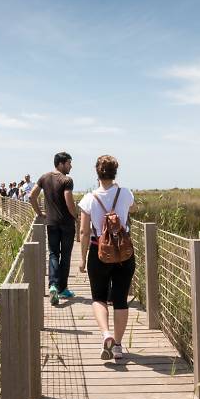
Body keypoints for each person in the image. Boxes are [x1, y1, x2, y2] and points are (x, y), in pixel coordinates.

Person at [78, 155, 135, 362]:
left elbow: (84, 232)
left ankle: (106, 334)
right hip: (124, 253)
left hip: (98, 251)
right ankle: (118, 346)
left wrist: (83, 259)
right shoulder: (126, 193)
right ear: (115, 172)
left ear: (97, 172)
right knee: (120, 299)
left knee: (99, 297)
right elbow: (132, 209)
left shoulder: (88, 199)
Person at [29, 152, 77, 306]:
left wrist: (39, 213)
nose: (71, 166)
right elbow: (69, 200)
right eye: (69, 163)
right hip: (67, 224)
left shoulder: (44, 177)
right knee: (66, 255)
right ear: (61, 163)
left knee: (53, 254)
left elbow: (32, 196)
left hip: (51, 223)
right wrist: (75, 215)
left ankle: (53, 286)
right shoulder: (67, 180)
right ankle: (62, 289)